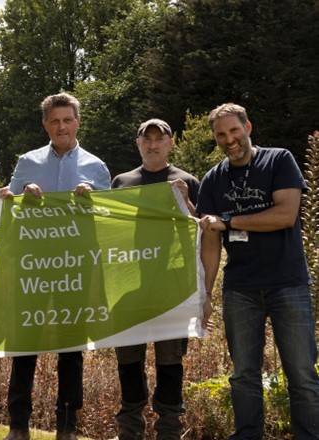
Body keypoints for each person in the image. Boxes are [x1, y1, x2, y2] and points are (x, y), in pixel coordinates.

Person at [198, 103, 319, 439]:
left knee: (302, 374)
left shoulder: (279, 160)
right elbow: (210, 241)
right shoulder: (213, 180)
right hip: (240, 289)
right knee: (244, 376)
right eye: (221, 135)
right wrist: (205, 294)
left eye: (234, 131)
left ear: (248, 127)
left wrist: (229, 222)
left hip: (287, 284)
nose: (229, 139)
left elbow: (285, 215)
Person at [0, 92, 111, 440]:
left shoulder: (97, 167)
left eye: (68, 120)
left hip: (75, 268)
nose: (62, 126)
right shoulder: (27, 162)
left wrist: (93, 197)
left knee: (71, 348)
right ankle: (18, 425)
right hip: (33, 265)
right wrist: (17, 195)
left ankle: (67, 427)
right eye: (55, 121)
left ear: (77, 122)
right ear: (45, 125)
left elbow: (110, 219)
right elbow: (6, 206)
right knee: (24, 344)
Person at [110, 119, 199, 440]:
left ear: (170, 143)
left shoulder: (186, 180)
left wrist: (187, 201)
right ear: (137, 144)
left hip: (173, 291)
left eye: (159, 139)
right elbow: (109, 233)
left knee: (171, 367)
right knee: (129, 367)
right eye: (146, 139)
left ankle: (169, 432)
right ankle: (130, 431)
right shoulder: (122, 182)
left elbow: (200, 233)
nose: (152, 144)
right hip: (128, 290)